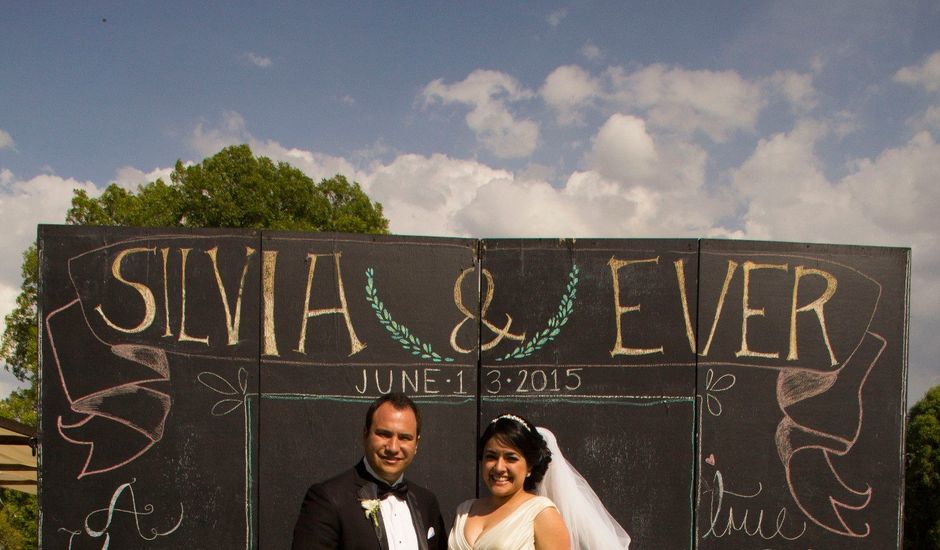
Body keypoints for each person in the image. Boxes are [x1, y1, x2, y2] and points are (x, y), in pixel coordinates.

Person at [448, 414, 631, 550]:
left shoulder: (541, 514)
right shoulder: (465, 511)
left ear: (529, 466)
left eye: (511, 458)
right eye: (491, 457)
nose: (499, 467)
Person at [291, 393, 448, 550]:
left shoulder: (427, 503)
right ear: (365, 435)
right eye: (384, 434)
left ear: (416, 444)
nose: (393, 447)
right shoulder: (329, 499)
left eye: (404, 437)